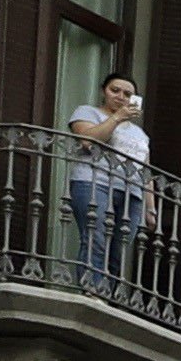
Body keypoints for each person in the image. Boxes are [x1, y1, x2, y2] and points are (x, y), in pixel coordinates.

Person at [61, 80, 145, 296]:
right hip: (93, 182)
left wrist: (151, 208)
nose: (121, 96)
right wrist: (116, 118)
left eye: (128, 94)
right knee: (95, 238)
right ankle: (92, 290)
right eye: (115, 90)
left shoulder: (140, 134)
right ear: (103, 91)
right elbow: (88, 140)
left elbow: (146, 171)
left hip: (131, 193)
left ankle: (107, 295)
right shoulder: (87, 112)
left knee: (118, 250)